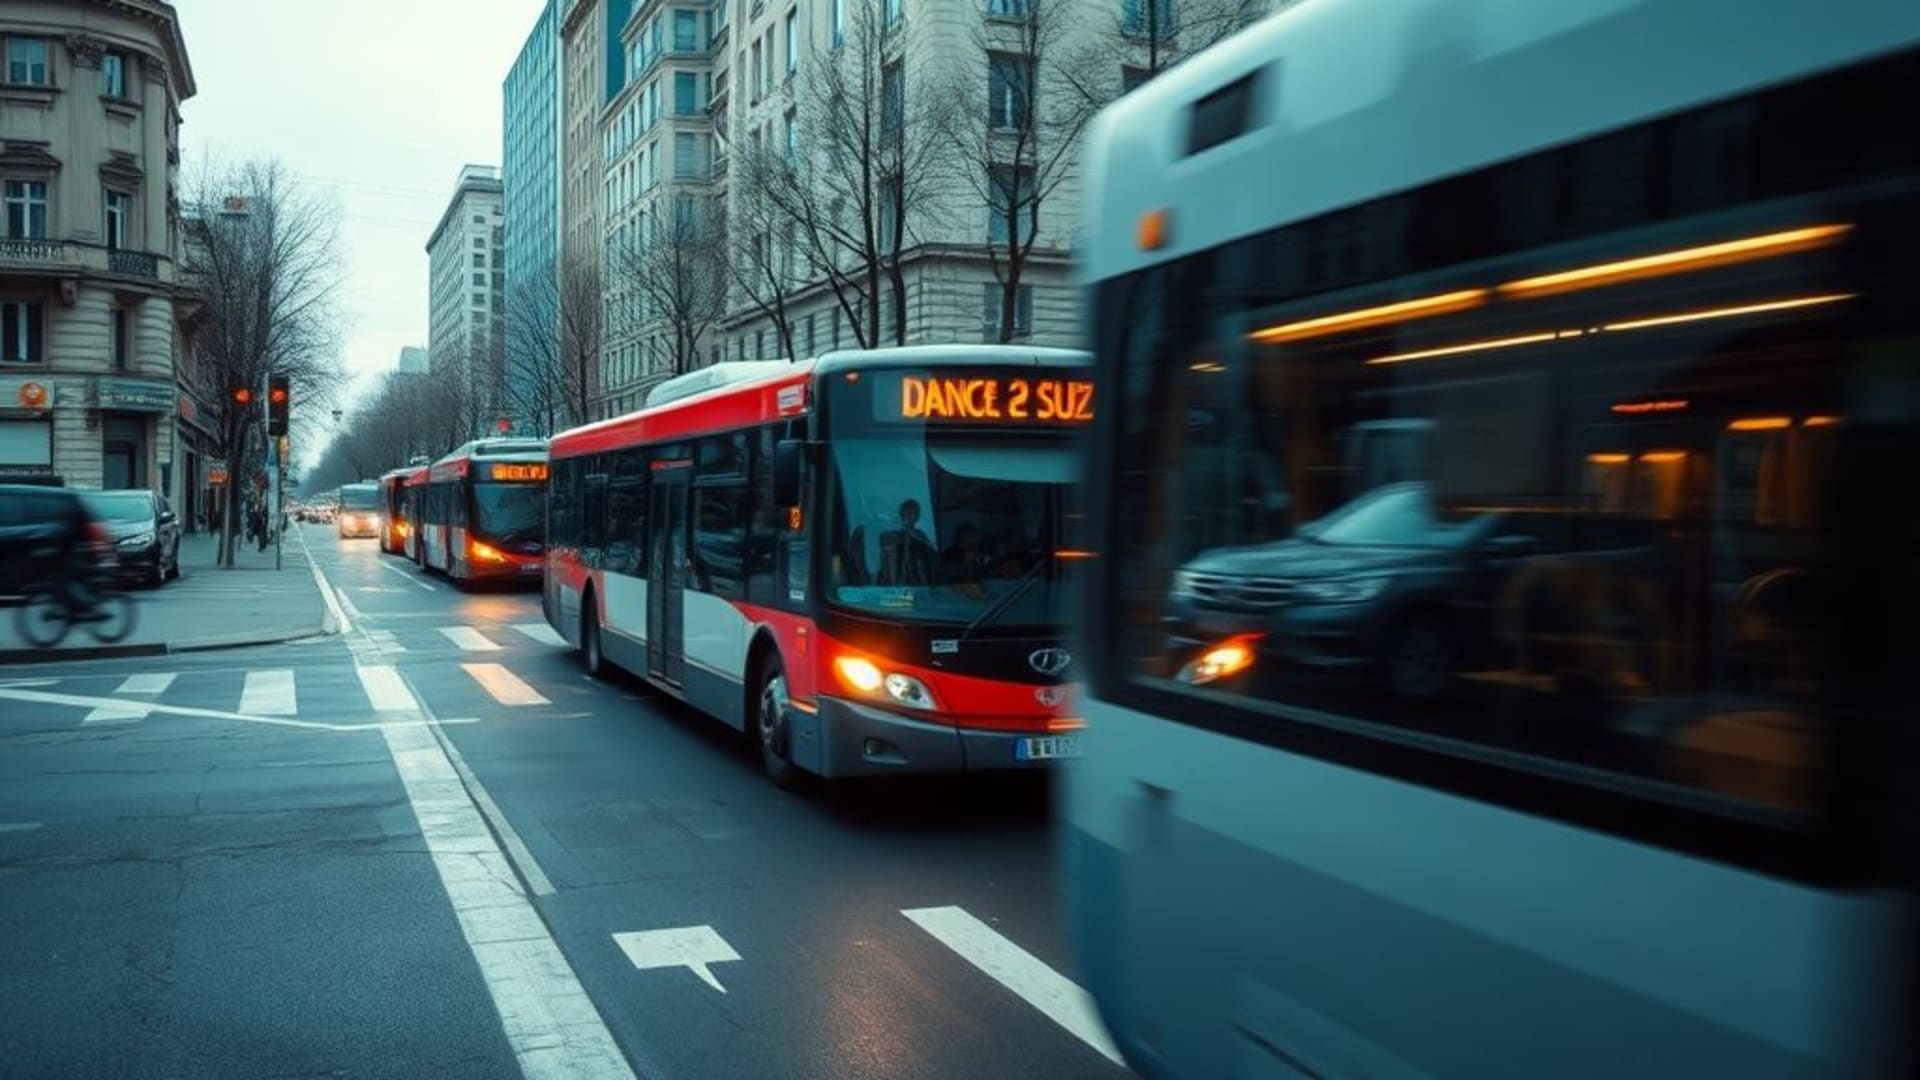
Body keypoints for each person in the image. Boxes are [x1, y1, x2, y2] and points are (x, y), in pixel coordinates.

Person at [878, 499, 936, 585]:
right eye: (909, 514)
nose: (912, 517)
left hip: (918, 583)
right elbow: (887, 560)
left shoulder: (920, 535)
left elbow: (931, 555)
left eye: (915, 514)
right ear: (902, 515)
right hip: (896, 583)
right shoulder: (891, 535)